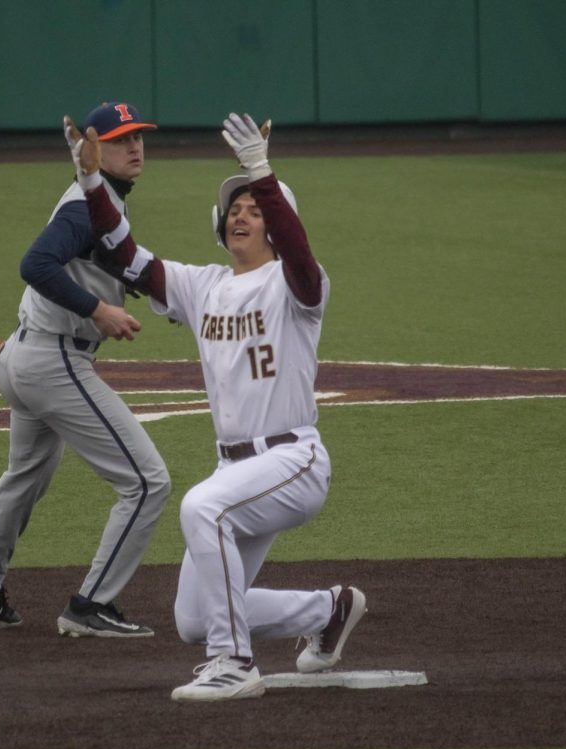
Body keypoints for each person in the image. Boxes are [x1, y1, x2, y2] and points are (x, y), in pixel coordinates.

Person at [65, 112, 367, 701]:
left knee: (202, 508)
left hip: (294, 461)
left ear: (280, 225)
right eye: (234, 209)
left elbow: (302, 258)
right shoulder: (202, 286)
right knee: (194, 617)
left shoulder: (297, 284)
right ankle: (327, 611)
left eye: (256, 209)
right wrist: (92, 183)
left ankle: (233, 662)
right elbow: (127, 257)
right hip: (239, 470)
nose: (241, 214)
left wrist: (260, 171)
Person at [0, 101, 171, 638]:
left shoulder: (102, 203)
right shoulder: (82, 208)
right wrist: (97, 310)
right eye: (121, 140)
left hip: (26, 353)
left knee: (24, 478)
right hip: (53, 362)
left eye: (138, 137)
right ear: (92, 151)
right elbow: (36, 264)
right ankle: (91, 605)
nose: (135, 147)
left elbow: (87, 266)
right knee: (147, 482)